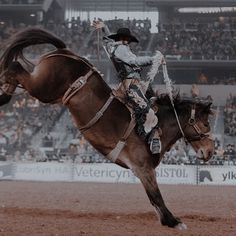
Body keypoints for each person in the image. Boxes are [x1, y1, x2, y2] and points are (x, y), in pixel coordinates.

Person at [93, 20, 161, 154]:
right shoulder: (122, 49)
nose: (127, 41)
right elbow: (134, 61)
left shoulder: (114, 47)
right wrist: (154, 59)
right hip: (131, 85)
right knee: (147, 110)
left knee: (151, 102)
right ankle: (152, 139)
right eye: (126, 39)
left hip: (130, 83)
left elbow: (108, 41)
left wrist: (104, 28)